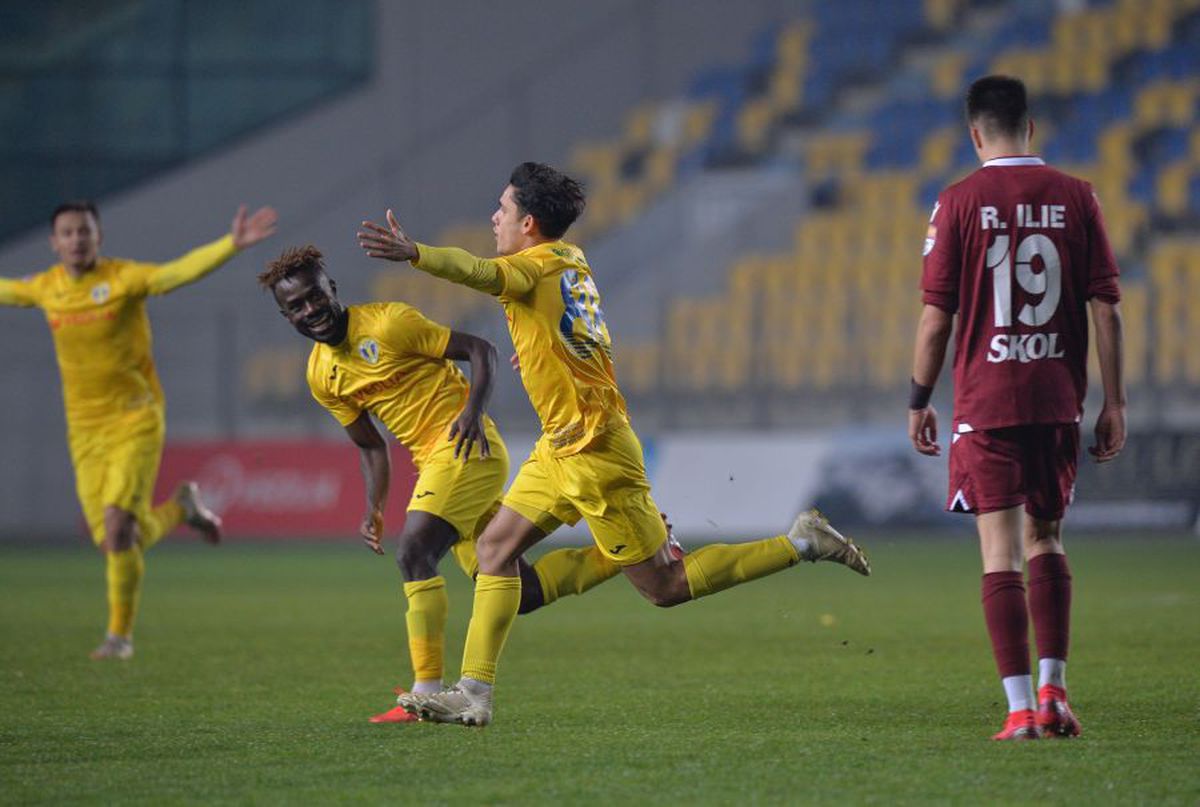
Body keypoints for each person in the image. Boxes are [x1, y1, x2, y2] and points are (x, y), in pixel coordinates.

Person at [357, 161, 871, 727]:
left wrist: (417, 254)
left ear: (528, 223)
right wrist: (541, 353)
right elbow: (571, 332)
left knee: (665, 586)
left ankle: (802, 543)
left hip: (596, 450)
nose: (493, 218)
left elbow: (477, 271)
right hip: (560, 445)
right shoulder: (570, 260)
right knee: (494, 551)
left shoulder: (530, 266)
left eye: (502, 209)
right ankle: (473, 693)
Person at [259, 244, 654, 723]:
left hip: (467, 447)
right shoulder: (322, 375)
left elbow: (480, 350)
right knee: (521, 589)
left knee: (414, 552)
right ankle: (625, 553)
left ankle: (424, 691)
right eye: (296, 306)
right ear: (286, 316)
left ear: (331, 289)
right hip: (436, 464)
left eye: (314, 296)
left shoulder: (388, 324)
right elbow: (371, 446)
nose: (310, 310)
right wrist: (374, 506)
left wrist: (472, 413)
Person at [908, 75, 1125, 740]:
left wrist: (919, 398)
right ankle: (1056, 692)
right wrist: (1115, 400)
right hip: (1057, 400)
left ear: (974, 134)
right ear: (1030, 127)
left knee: (999, 554)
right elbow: (1106, 308)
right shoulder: (1078, 196)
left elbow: (936, 321)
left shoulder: (957, 202)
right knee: (1047, 539)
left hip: (987, 402)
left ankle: (1021, 709)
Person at [0, 200, 278, 660]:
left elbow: (174, 274)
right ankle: (182, 508)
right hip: (84, 429)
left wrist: (231, 244)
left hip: (135, 418)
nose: (76, 239)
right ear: (54, 243)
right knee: (115, 541)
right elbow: (7, 290)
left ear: (99, 237)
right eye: (67, 233)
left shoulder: (123, 279)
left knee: (117, 527)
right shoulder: (46, 288)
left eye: (84, 231)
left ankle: (119, 638)